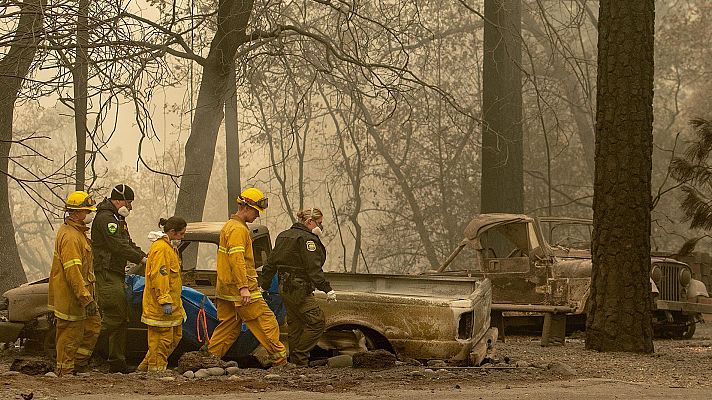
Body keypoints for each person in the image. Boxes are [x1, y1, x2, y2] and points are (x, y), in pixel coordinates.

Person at [207, 188, 288, 366]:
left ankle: (209, 360)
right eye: (256, 211)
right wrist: (244, 287)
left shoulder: (229, 226)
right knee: (266, 322)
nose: (258, 216)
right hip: (242, 290)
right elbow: (237, 260)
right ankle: (280, 360)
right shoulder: (238, 230)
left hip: (226, 289)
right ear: (245, 207)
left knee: (228, 328)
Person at [259, 207, 336, 366]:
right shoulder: (308, 240)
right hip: (300, 289)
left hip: (284, 287)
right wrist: (327, 289)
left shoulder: (283, 236)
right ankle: (300, 358)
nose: (320, 227)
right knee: (317, 322)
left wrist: (264, 285)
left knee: (295, 324)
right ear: (309, 222)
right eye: (319, 223)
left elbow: (270, 264)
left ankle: (295, 364)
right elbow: (313, 269)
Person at [91, 184, 147, 373]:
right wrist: (140, 258)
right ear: (118, 200)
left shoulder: (117, 218)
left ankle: (117, 362)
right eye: (128, 202)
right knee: (115, 317)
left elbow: (127, 243)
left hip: (115, 272)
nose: (130, 207)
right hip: (106, 272)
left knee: (121, 318)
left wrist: (146, 255)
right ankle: (83, 350)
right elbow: (117, 246)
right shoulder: (107, 219)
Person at [48, 191, 102, 376]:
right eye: (87, 211)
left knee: (92, 327)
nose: (90, 215)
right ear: (75, 212)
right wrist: (85, 299)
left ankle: (78, 365)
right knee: (70, 335)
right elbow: (73, 272)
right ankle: (65, 371)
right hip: (73, 298)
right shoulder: (70, 237)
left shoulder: (78, 233)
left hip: (82, 295)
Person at [137, 216, 187, 372]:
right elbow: (160, 276)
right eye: (181, 234)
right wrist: (164, 300)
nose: (182, 237)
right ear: (172, 232)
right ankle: (156, 371)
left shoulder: (169, 248)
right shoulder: (161, 249)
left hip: (173, 304)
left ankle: (144, 368)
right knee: (161, 340)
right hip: (161, 305)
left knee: (174, 337)